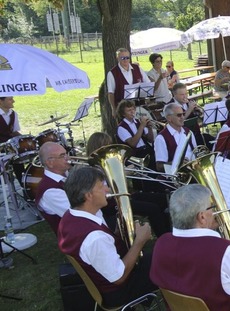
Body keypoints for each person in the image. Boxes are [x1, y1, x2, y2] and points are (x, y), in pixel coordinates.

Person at [58, 166, 157, 309]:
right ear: (88, 195)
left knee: (159, 256)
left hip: (105, 281)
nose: (108, 190)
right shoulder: (95, 237)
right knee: (167, 257)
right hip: (118, 292)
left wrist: (116, 234)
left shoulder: (71, 215)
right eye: (102, 186)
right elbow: (119, 278)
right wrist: (139, 242)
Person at [85, 132, 171, 238]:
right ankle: (164, 237)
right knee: (153, 208)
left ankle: (169, 232)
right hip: (111, 204)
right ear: (98, 147)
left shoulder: (107, 162)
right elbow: (108, 191)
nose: (110, 148)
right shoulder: (92, 169)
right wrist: (122, 174)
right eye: (106, 145)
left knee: (162, 199)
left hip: (122, 196)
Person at [154, 103, 198, 172]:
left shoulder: (188, 132)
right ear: (169, 118)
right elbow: (159, 166)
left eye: (183, 114)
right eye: (179, 115)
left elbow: (196, 151)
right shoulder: (161, 138)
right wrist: (178, 163)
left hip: (194, 170)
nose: (183, 117)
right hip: (177, 176)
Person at [107, 48, 150, 117]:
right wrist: (113, 109)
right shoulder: (112, 73)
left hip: (139, 107)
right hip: (123, 110)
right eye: (123, 58)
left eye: (127, 57)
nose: (125, 60)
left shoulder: (137, 68)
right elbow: (111, 93)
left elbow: (147, 83)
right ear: (117, 58)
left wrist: (147, 97)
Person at [166, 83, 210, 148]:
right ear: (174, 94)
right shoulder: (169, 106)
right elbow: (178, 120)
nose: (185, 96)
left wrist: (199, 112)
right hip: (181, 137)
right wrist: (190, 109)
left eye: (186, 94)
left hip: (196, 133)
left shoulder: (189, 102)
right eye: (182, 95)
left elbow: (200, 116)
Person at [0, 96, 25, 182]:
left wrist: (25, 138)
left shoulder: (13, 114)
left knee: (18, 159)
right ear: (1, 101)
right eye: (10, 99)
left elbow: (14, 132)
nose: (13, 101)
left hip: (10, 147)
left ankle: (23, 184)